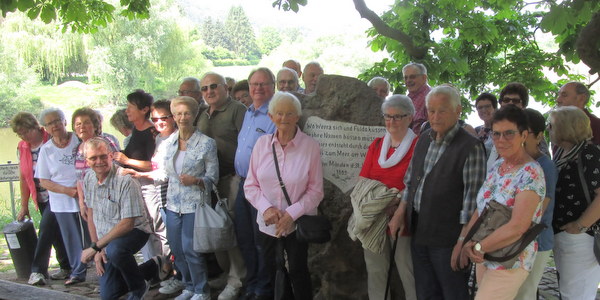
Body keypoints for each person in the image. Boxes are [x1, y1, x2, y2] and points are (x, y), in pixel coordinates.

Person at [389, 85, 486, 300]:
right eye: (431, 110)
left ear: (458, 111)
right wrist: (399, 213)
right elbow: (410, 181)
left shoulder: (471, 147)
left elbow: (473, 202)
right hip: (420, 230)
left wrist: (462, 241)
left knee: (452, 292)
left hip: (449, 237)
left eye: (442, 110)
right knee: (426, 292)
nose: (435, 116)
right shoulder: (424, 138)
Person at [244, 91, 323, 300]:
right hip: (267, 223)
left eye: (290, 114)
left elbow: (316, 191)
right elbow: (250, 185)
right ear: (271, 117)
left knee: (298, 271)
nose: (284, 119)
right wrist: (266, 208)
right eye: (279, 113)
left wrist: (291, 215)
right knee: (273, 271)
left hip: (296, 223)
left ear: (297, 117)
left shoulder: (310, 147)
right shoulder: (262, 145)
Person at [461, 105, 545, 299]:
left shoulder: (531, 173)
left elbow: (518, 226)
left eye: (509, 133)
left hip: (509, 258)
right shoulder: (499, 165)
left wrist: (480, 247)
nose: (501, 140)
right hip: (485, 254)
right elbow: (482, 208)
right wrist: (466, 241)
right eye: (496, 134)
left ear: (524, 135)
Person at [80, 137, 171, 300]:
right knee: (109, 296)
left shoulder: (125, 180)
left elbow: (127, 224)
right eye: (93, 158)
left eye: (103, 156)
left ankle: (139, 287)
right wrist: (97, 249)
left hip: (134, 231)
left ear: (111, 155)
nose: (99, 161)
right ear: (87, 161)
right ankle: (152, 267)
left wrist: (96, 247)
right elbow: (91, 214)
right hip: (106, 240)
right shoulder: (88, 178)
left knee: (116, 250)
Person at [355, 95, 417, 300]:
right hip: (375, 220)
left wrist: (396, 203)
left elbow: (417, 182)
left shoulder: (418, 146)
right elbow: (363, 182)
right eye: (387, 117)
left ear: (410, 117)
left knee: (408, 272)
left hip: (404, 220)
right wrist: (380, 203)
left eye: (397, 117)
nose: (391, 122)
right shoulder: (376, 145)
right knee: (376, 272)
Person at [160, 96, 219, 300]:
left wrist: (196, 180)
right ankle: (189, 286)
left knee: (192, 249)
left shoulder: (206, 144)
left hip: (196, 204)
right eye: (178, 113)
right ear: (173, 116)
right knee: (177, 248)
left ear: (194, 115)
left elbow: (213, 178)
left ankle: (202, 290)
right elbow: (162, 173)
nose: (182, 117)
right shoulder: (168, 143)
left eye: (186, 113)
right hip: (173, 204)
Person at [197, 72, 247, 300]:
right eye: (204, 88)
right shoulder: (202, 113)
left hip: (231, 178)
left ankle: (237, 279)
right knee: (216, 230)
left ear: (225, 87)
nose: (209, 91)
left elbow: (246, 144)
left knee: (231, 229)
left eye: (213, 86)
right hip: (208, 182)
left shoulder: (237, 110)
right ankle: (226, 273)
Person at [11, 112, 71, 285]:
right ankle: (66, 266)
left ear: (35, 127)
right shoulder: (22, 147)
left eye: (25, 132)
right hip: (41, 197)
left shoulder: (50, 139)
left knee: (44, 229)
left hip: (58, 193)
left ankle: (37, 271)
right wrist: (24, 205)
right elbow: (24, 177)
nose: (23, 136)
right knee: (54, 232)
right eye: (19, 134)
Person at [234, 67, 277, 300]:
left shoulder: (275, 114)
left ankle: (263, 289)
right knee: (245, 238)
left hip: (262, 188)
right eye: (254, 84)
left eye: (264, 84)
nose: (258, 88)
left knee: (262, 241)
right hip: (243, 185)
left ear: (273, 86)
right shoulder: (249, 112)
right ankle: (251, 284)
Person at [549, 106, 600, 300]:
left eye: (552, 125)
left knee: (576, 294)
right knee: (569, 291)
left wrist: (579, 225)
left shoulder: (589, 153)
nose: (548, 129)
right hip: (567, 233)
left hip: (582, 237)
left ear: (566, 127)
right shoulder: (565, 153)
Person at [35, 108, 87, 286]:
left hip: (86, 196)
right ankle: (77, 272)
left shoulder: (79, 140)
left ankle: (105, 269)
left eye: (57, 120)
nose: (55, 125)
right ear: (46, 128)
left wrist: (79, 189)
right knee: (71, 238)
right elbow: (44, 180)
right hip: (61, 201)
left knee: (92, 236)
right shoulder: (46, 150)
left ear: (65, 121)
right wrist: (68, 191)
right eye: (50, 123)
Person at [113, 90, 162, 261]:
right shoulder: (136, 129)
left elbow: (153, 164)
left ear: (144, 110)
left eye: (130, 107)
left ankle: (163, 265)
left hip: (149, 186)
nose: (127, 111)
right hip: (134, 185)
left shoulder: (151, 133)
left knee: (155, 227)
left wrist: (128, 160)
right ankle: (151, 263)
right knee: (142, 227)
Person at [515, 108, 558, 299]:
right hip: (512, 239)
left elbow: (539, 210)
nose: (520, 138)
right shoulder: (511, 161)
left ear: (540, 135)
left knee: (525, 292)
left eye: (527, 133)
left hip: (536, 240)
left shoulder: (545, 165)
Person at [72, 107, 119, 222]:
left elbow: (117, 170)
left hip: (109, 199)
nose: (82, 127)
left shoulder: (105, 142)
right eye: (78, 124)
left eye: (86, 123)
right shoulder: (76, 149)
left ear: (95, 125)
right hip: (89, 202)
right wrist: (82, 204)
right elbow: (79, 179)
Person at [402, 63, 431, 135]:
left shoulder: (431, 98)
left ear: (424, 78)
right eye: (406, 78)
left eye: (412, 77)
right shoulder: (408, 98)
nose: (408, 80)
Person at [474, 92, 498, 157]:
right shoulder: (475, 131)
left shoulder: (501, 130)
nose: (484, 110)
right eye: (480, 107)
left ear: (495, 108)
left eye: (487, 106)